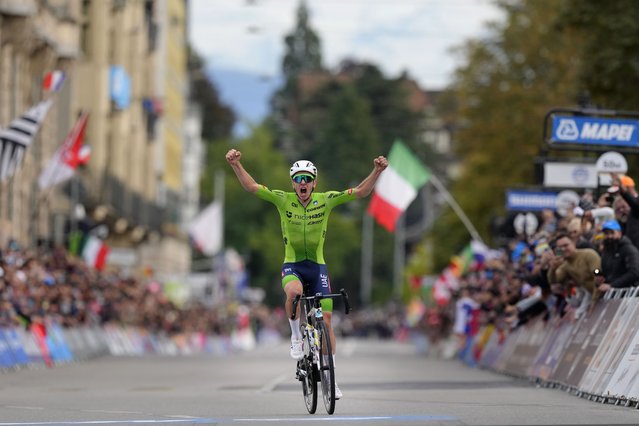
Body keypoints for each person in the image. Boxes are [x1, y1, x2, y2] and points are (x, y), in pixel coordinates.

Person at [225, 149, 388, 400]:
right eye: (298, 179)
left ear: (315, 182)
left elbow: (360, 192)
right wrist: (236, 165)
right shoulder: (282, 199)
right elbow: (252, 187)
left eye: (307, 179)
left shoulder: (326, 199)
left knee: (328, 320)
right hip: (293, 264)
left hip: (317, 266)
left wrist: (377, 171)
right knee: (295, 292)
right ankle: (296, 336)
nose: (303, 184)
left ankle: (331, 378)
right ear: (292, 183)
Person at [547, 232, 601, 319]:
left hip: (606, 295)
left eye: (566, 245)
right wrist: (553, 268)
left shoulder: (588, 254)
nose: (563, 249)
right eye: (560, 248)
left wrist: (594, 301)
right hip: (592, 297)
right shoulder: (565, 266)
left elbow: (598, 274)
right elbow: (553, 281)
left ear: (573, 243)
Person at [596, 219, 639, 293]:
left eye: (612, 233)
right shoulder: (606, 251)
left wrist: (612, 285)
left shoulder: (628, 249)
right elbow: (604, 271)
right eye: (606, 233)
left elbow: (634, 272)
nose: (609, 236)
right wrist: (598, 275)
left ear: (619, 233)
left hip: (630, 292)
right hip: (613, 293)